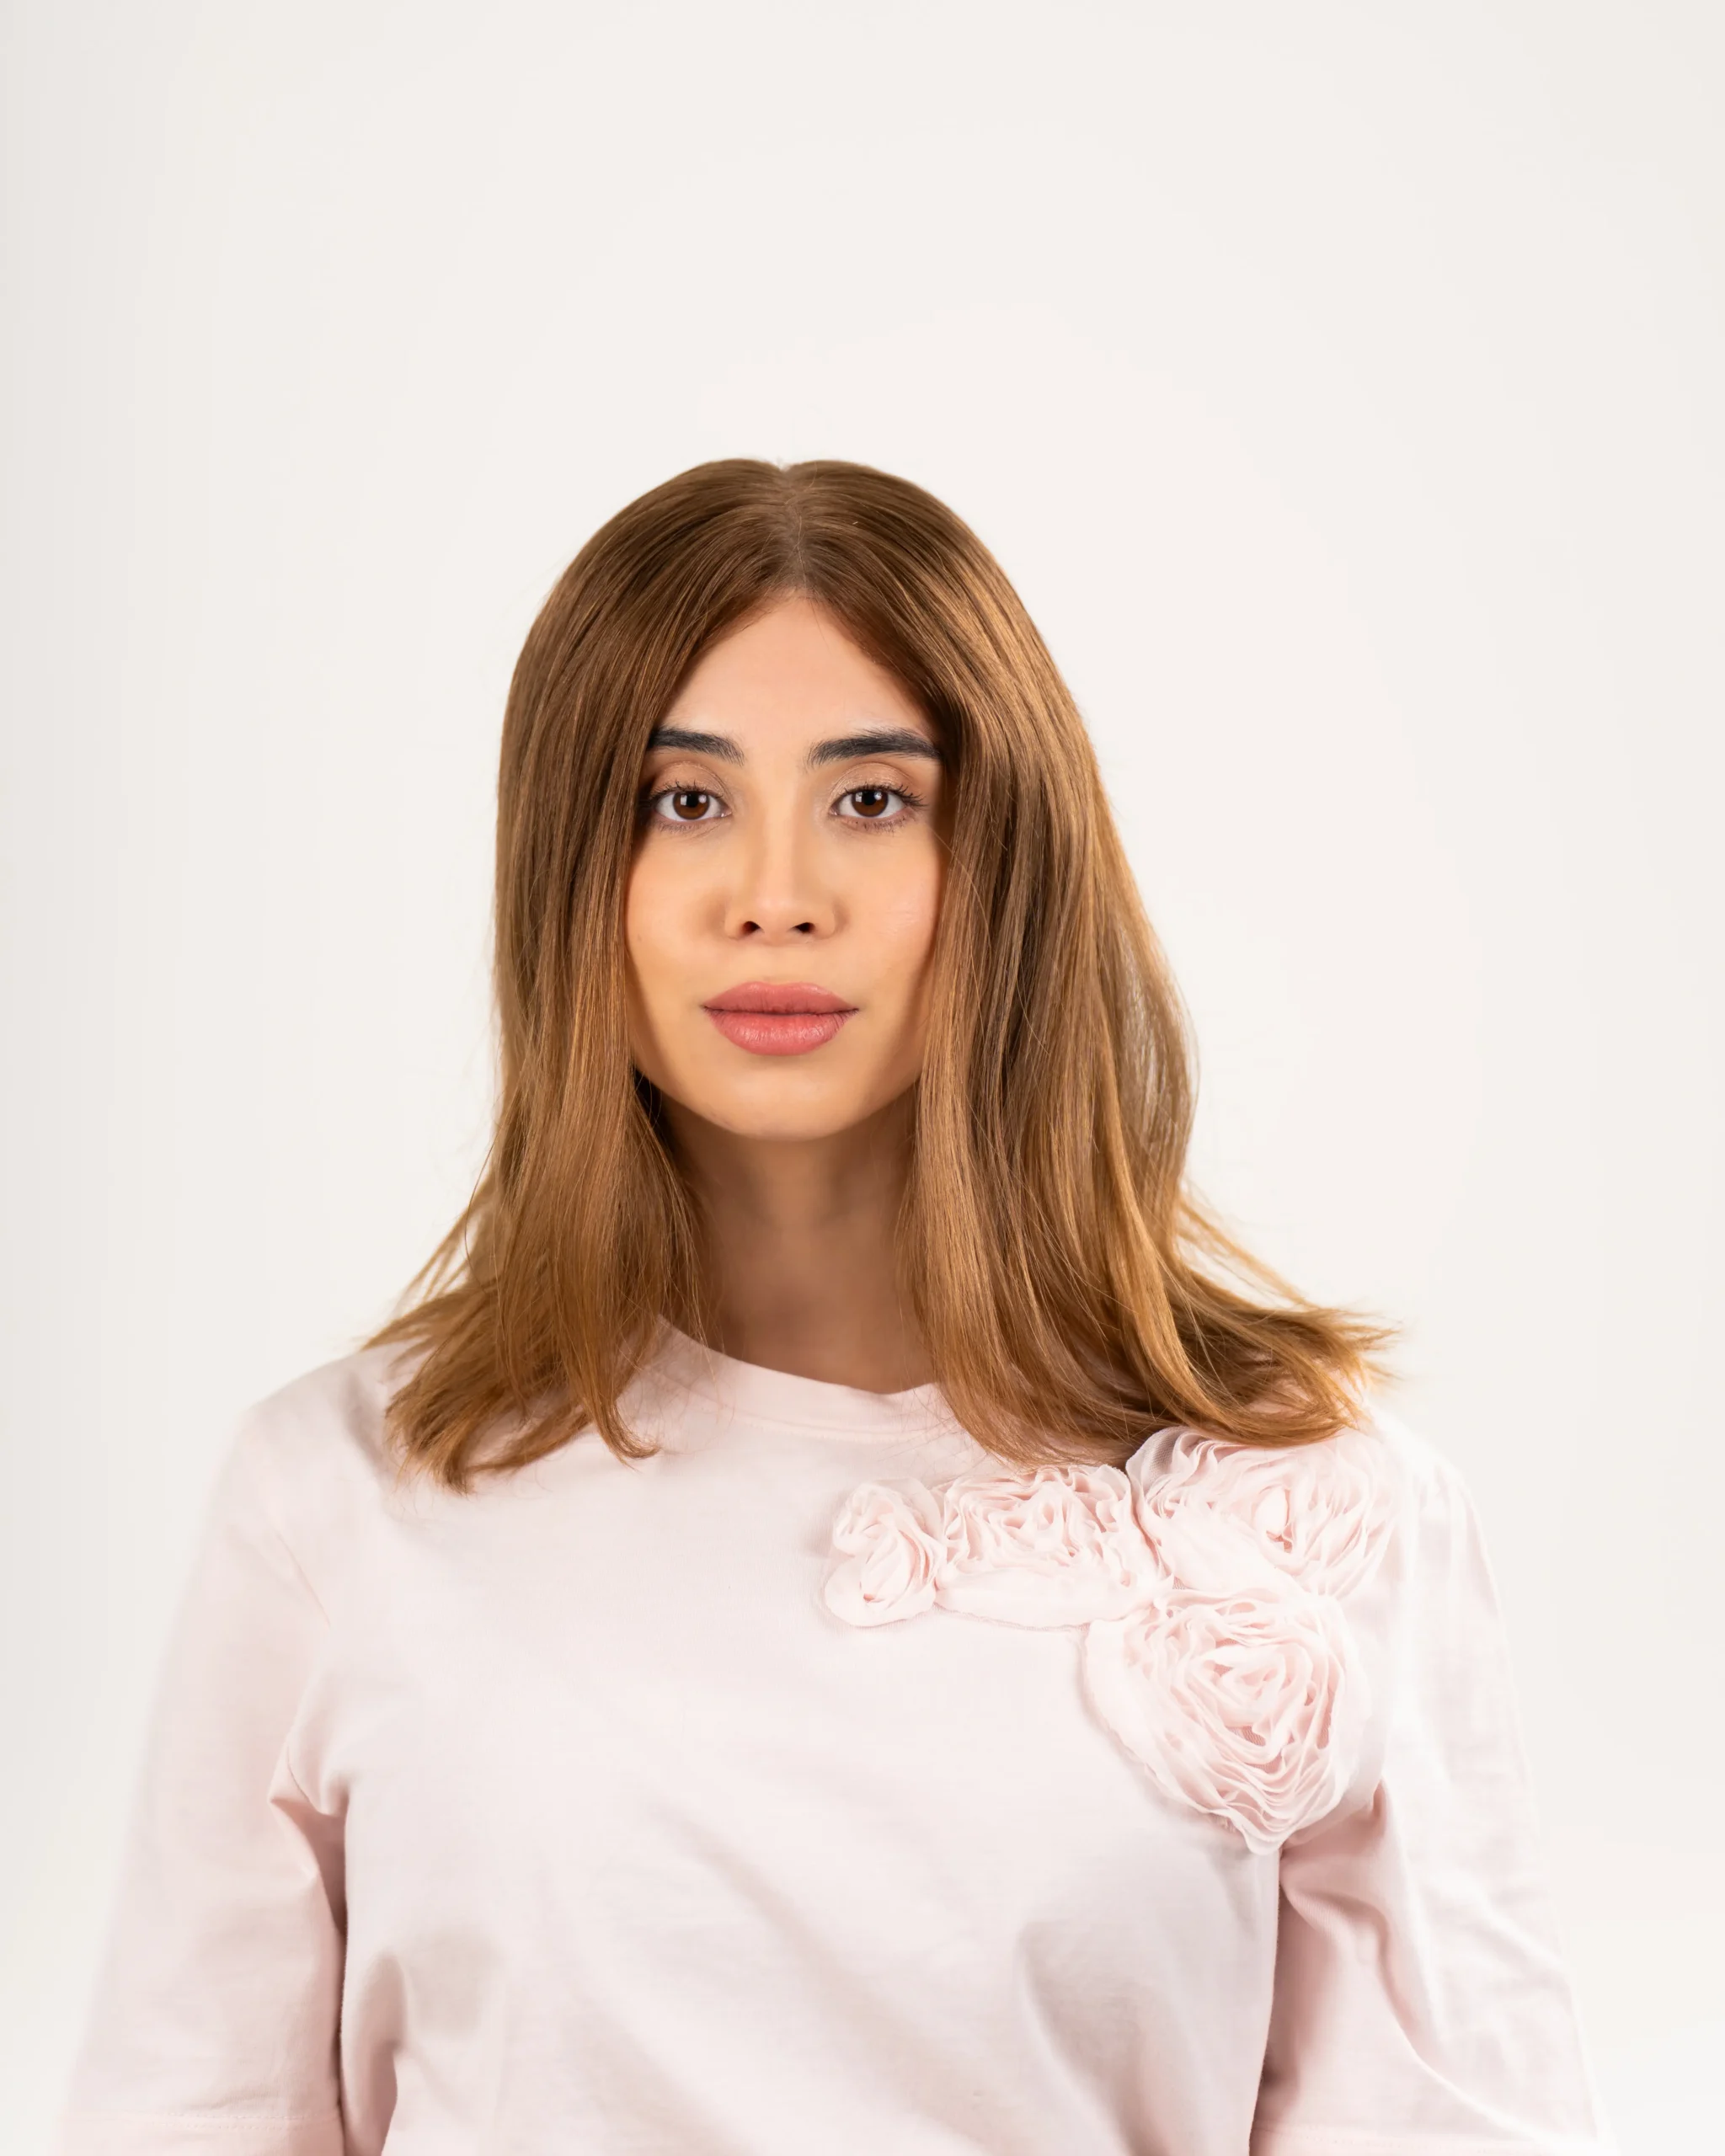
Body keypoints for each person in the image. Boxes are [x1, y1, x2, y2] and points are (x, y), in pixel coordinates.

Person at [55, 460, 1616, 2153]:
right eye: (682, 800)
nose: (777, 892)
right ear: (569, 869)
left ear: (1006, 856)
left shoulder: (1336, 1518)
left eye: (872, 798)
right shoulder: (337, 1499)